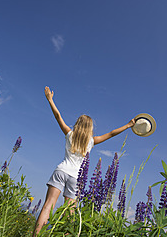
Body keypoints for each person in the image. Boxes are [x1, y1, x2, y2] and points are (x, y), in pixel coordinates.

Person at [32, 86, 135, 236]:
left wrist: (50, 100)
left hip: (61, 171)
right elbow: (112, 133)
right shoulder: (91, 142)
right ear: (90, 128)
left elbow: (58, 116)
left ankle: (36, 235)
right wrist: (128, 125)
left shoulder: (70, 134)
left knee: (48, 206)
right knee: (70, 214)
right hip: (76, 177)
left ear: (78, 124)